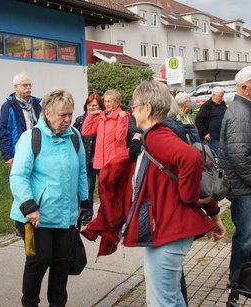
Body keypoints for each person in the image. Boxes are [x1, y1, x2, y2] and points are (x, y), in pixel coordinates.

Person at [82, 80, 225, 306]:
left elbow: (191, 158)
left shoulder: (156, 135)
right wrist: (214, 216)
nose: (132, 113)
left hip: (168, 232)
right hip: (169, 231)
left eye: (134, 108)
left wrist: (188, 197)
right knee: (173, 298)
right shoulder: (161, 133)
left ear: (146, 108)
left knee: (161, 301)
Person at [10, 88, 89, 307]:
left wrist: (84, 201)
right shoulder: (31, 138)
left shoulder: (74, 136)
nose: (68, 120)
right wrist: (29, 206)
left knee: (62, 264)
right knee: (37, 262)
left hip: (65, 214)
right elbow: (18, 176)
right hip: (36, 217)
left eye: (70, 114)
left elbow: (81, 170)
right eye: (62, 115)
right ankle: (30, 303)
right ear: (47, 113)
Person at [218, 66, 251, 278]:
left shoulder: (247, 109)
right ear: (245, 88)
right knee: (246, 234)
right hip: (244, 187)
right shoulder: (240, 113)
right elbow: (239, 155)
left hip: (249, 186)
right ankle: (237, 278)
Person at [0, 72, 42, 168]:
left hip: (38, 151)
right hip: (19, 152)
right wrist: (8, 156)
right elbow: (4, 133)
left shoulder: (36, 105)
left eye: (30, 85)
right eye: (25, 85)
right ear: (15, 87)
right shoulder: (8, 106)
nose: (28, 87)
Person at [73, 93, 105, 225]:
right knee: (88, 188)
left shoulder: (104, 118)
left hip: (102, 159)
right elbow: (74, 135)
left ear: (100, 106)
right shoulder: (80, 119)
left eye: (94, 105)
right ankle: (87, 213)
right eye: (89, 105)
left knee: (104, 189)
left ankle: (105, 214)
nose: (91, 108)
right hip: (86, 160)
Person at [81, 89, 129, 170]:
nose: (106, 104)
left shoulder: (122, 116)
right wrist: (91, 115)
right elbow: (86, 131)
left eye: (109, 101)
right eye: (105, 101)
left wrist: (122, 118)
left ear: (117, 102)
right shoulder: (102, 116)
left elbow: (120, 136)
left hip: (115, 161)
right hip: (101, 162)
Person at [195, 86, 227, 153]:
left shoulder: (223, 104)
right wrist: (205, 133)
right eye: (221, 96)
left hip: (223, 138)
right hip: (213, 140)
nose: (222, 98)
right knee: (215, 159)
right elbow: (198, 120)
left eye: (222, 96)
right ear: (214, 95)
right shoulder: (206, 106)